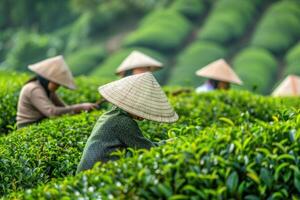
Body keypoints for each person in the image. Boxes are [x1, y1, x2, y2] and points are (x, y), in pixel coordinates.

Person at [76, 72, 178, 173]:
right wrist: (169, 142)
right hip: (93, 176)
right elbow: (145, 149)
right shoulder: (123, 121)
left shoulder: (110, 115)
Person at [16, 55, 98, 129]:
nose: (58, 87)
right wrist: (80, 107)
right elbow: (52, 112)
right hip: (28, 128)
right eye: (57, 83)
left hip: (41, 124)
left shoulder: (48, 90)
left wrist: (83, 110)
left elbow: (64, 108)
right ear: (47, 79)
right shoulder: (33, 89)